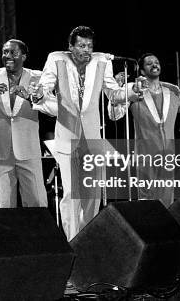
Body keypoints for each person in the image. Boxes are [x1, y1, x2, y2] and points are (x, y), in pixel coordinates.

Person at [31, 26, 121, 241]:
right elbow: (45, 85)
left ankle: (87, 239)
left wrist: (131, 92)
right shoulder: (57, 59)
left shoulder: (102, 61)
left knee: (93, 194)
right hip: (67, 135)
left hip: (92, 137)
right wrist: (39, 93)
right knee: (72, 194)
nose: (86, 50)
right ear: (70, 47)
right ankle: (73, 241)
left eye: (90, 46)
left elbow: (113, 92)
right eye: (81, 45)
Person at [110, 53, 180, 207]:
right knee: (148, 203)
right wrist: (117, 91)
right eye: (149, 63)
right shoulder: (135, 90)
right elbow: (115, 115)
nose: (154, 65)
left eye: (156, 62)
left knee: (167, 201)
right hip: (145, 155)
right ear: (142, 71)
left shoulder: (172, 91)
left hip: (168, 155)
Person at [0, 38, 54, 208]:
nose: (7, 56)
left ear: (23, 56)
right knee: (4, 206)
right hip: (0, 151)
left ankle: (36, 235)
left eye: (12, 52)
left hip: (28, 151)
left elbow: (54, 108)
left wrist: (31, 98)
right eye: (4, 52)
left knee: (37, 204)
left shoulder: (37, 77)